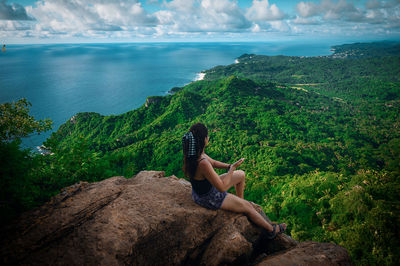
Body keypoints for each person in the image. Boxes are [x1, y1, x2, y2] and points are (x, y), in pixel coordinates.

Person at [182, 123, 286, 239]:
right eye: (207, 136)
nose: (209, 138)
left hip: (202, 189)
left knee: (241, 174)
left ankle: (239, 202)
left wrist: (229, 166)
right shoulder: (202, 163)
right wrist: (232, 169)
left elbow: (214, 163)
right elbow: (222, 188)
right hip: (208, 197)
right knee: (249, 207)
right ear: (203, 139)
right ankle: (272, 230)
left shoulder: (195, 154)